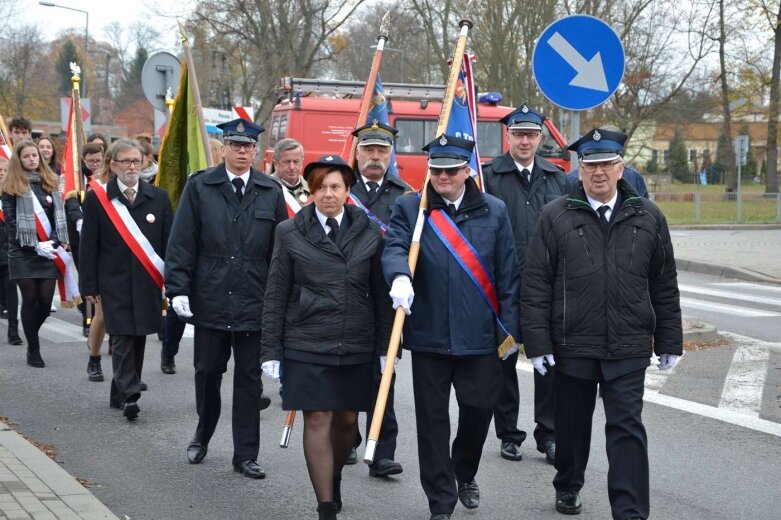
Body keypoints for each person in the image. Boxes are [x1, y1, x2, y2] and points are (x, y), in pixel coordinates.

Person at [521, 128, 683, 519]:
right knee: (572, 427)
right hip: (572, 343)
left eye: (607, 165)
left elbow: (664, 281)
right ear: (579, 170)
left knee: (627, 428)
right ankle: (568, 484)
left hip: (628, 344)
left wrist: (669, 340)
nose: (599, 173)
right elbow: (536, 284)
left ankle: (629, 510)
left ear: (620, 168)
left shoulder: (647, 215)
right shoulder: (555, 215)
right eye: (591, 165)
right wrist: (538, 343)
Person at [382, 134, 521, 520]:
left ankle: (464, 472)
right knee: (432, 423)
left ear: (467, 171)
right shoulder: (411, 207)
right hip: (429, 335)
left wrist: (510, 333)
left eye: (450, 170)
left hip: (479, 338)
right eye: (436, 170)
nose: (442, 176)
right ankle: (440, 502)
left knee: (478, 411)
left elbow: (509, 275)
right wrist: (398, 276)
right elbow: (394, 246)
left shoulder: (494, 210)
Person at [260, 154, 393, 520]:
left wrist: (386, 347)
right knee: (316, 417)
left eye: (335, 187)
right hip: (306, 340)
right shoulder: (288, 232)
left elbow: (381, 293)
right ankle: (325, 506)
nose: (328, 194)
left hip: (355, 341)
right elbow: (276, 291)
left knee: (347, 421)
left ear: (348, 191)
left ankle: (333, 477)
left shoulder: (369, 232)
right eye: (320, 187)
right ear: (310, 192)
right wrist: (269, 350)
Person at [165, 118, 287, 477]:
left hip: (254, 300)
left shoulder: (269, 190)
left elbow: (281, 251)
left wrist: (281, 299)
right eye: (235, 146)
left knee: (250, 380)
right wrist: (178, 288)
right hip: (211, 297)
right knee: (207, 374)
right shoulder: (201, 186)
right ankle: (202, 437)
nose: (242, 152)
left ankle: (245, 453)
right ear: (224, 148)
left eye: (248, 147)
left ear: (256, 152)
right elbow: (182, 242)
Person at [482, 103, 568, 465]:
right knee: (503, 359)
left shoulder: (556, 177)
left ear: (540, 138)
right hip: (503, 284)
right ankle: (509, 434)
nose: (525, 141)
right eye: (518, 134)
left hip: (546, 285)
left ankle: (548, 433)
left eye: (531, 135)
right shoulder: (489, 177)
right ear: (508, 136)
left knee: (547, 361)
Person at [79, 139, 172, 420]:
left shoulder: (158, 197)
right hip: (113, 281)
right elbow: (88, 245)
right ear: (113, 165)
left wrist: (172, 280)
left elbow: (169, 242)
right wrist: (89, 286)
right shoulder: (98, 198)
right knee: (120, 335)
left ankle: (119, 391)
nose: (132, 166)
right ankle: (131, 393)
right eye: (126, 161)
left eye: (136, 161)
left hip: (147, 281)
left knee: (138, 334)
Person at [347, 120, 410, 475]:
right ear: (357, 153)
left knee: (384, 373)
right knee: (347, 372)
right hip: (345, 294)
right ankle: (348, 440)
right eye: (369, 150)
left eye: (382, 151)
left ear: (390, 155)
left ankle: (382, 451)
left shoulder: (404, 195)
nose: (375, 157)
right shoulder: (341, 188)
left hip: (386, 298)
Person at [2, 140, 71, 367]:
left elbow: (57, 218)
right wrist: (33, 245)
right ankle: (34, 348)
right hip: (23, 252)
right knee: (30, 299)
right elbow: (11, 223)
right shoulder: (11, 186)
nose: (32, 159)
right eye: (27, 156)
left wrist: (52, 243)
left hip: (47, 252)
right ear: (19, 161)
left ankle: (30, 330)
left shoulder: (49, 182)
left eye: (34, 155)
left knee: (44, 303)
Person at [63, 141, 105, 338]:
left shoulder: (106, 175)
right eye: (91, 161)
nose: (95, 164)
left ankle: (102, 314)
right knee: (87, 275)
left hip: (103, 235)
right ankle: (88, 319)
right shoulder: (75, 178)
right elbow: (71, 202)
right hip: (81, 235)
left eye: (99, 160)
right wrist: (79, 220)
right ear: (83, 160)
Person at [0, 156, 22, 344]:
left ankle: (13, 329)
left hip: (8, 248)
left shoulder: (13, 194)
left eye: (4, 170)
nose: (1, 173)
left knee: (11, 288)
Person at [271, 138, 310, 203]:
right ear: (275, 163)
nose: (292, 167)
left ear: (302, 163)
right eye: (286, 162)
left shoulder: (312, 190)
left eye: (296, 161)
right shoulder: (264, 189)